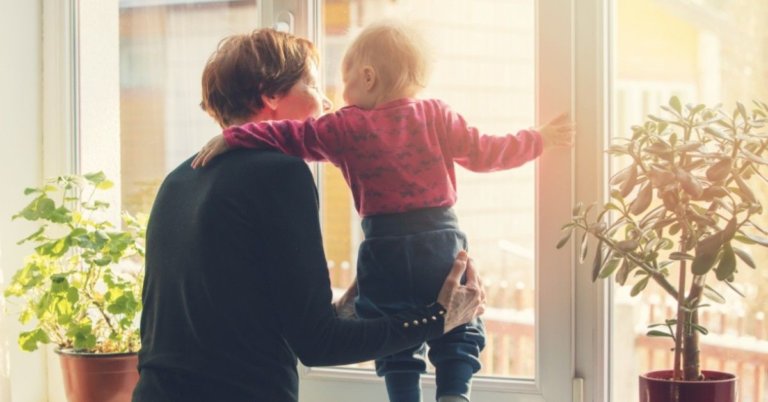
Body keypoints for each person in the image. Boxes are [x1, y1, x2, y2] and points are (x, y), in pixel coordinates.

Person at [191, 21, 575, 402]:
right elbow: (487, 151)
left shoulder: (344, 127)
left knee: (389, 327)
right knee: (462, 316)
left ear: (369, 77)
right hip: (440, 242)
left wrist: (232, 136)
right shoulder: (436, 115)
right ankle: (455, 392)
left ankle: (403, 394)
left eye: (343, 80)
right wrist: (538, 139)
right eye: (314, 84)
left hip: (383, 247)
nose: (332, 99)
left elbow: (291, 136)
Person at [132, 28, 485, 402]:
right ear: (270, 94)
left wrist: (357, 301)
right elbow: (319, 345)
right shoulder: (278, 172)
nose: (327, 105)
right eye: (314, 87)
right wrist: (440, 317)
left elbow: (238, 321)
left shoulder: (178, 180)